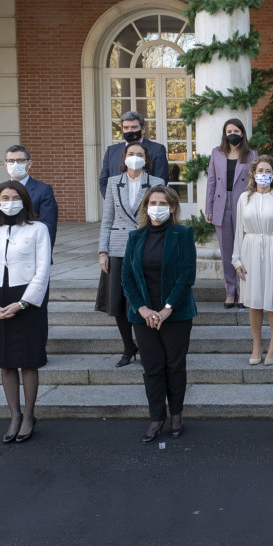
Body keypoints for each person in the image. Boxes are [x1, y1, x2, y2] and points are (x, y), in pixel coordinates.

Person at [0, 182, 51, 444]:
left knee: (28, 360)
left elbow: (43, 271)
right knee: (5, 360)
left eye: (15, 197)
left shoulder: (38, 229)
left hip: (26, 300)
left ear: (25, 201)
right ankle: (14, 415)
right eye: (4, 197)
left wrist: (23, 303)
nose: (9, 202)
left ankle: (29, 415)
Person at [120, 185, 198, 444]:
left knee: (175, 365)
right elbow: (127, 277)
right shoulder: (135, 237)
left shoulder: (183, 234)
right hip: (143, 315)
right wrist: (142, 309)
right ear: (145, 207)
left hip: (175, 313)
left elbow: (187, 274)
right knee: (152, 367)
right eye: (152, 202)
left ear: (173, 206)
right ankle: (156, 417)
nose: (157, 207)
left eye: (162, 202)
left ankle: (176, 414)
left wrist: (166, 309)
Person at [96, 141, 165, 367]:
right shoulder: (113, 182)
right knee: (118, 301)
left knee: (144, 299)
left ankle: (147, 347)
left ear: (146, 158)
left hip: (146, 246)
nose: (135, 157)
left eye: (139, 153)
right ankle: (128, 347)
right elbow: (107, 219)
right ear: (124, 157)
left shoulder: (156, 183)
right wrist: (103, 251)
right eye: (131, 153)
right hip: (118, 247)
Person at [233, 156, 273, 366]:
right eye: (260, 170)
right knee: (254, 300)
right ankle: (257, 344)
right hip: (249, 249)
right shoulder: (244, 198)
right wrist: (236, 259)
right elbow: (238, 228)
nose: (263, 174)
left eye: (267, 170)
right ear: (253, 174)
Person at [205, 118, 257, 308]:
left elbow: (255, 183)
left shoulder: (251, 155)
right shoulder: (216, 153)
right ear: (225, 134)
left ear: (242, 133)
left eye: (235, 130)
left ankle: (243, 291)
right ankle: (230, 291)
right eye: (228, 131)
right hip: (221, 204)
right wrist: (209, 207)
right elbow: (211, 182)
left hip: (243, 205)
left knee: (244, 250)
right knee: (227, 251)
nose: (232, 134)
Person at [0, 145, 59, 248]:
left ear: (29, 164)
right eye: (11, 161)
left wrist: (45, 254)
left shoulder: (43, 190)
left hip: (29, 249)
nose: (15, 164)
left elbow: (48, 226)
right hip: (1, 249)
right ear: (5, 164)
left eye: (20, 160)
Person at [98, 111, 169, 195]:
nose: (130, 131)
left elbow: (160, 180)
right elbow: (104, 180)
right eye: (126, 127)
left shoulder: (157, 149)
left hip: (145, 204)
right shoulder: (111, 150)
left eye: (134, 127)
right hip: (118, 205)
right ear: (122, 129)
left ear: (143, 129)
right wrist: (112, 201)